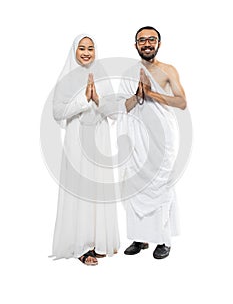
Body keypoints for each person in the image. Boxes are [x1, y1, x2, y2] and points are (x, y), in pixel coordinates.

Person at [117, 26, 186, 259]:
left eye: (151, 39)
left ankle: (163, 241)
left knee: (161, 184)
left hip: (163, 138)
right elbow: (121, 108)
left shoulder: (167, 70)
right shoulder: (128, 72)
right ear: (135, 45)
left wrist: (151, 93)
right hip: (137, 137)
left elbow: (181, 102)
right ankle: (139, 238)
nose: (147, 44)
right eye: (142, 40)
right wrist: (137, 95)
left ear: (159, 43)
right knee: (136, 185)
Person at [51, 34, 120, 265]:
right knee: (79, 191)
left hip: (99, 140)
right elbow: (57, 112)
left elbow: (114, 111)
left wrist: (98, 99)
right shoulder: (66, 79)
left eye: (91, 48)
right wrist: (83, 99)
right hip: (76, 143)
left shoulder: (102, 74)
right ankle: (80, 247)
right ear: (74, 51)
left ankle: (98, 241)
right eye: (82, 48)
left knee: (97, 191)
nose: (87, 52)